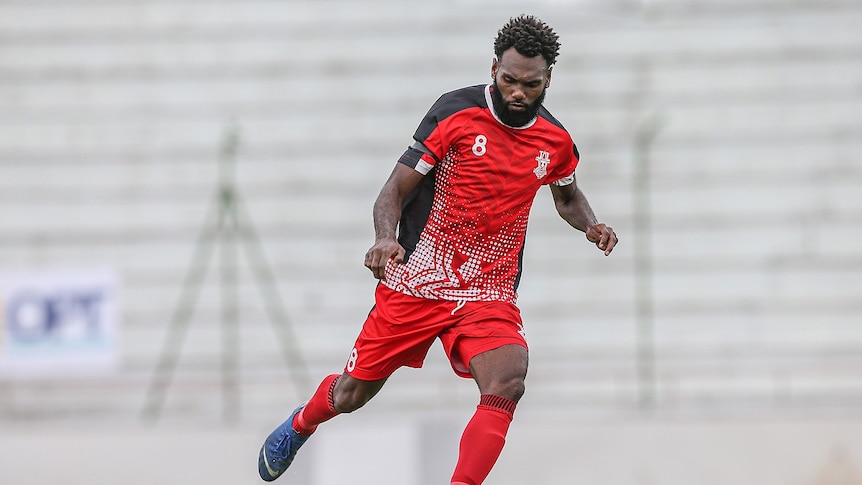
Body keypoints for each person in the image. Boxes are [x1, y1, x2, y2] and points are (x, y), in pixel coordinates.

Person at [258, 13, 618, 484]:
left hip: (487, 290)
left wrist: (591, 225)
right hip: (419, 279)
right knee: (351, 396)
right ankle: (302, 422)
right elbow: (395, 189)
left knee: (509, 379)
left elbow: (567, 197)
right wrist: (386, 238)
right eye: (509, 79)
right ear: (494, 69)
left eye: (529, 85)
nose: (517, 92)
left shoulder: (555, 141)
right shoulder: (455, 113)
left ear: (548, 79)